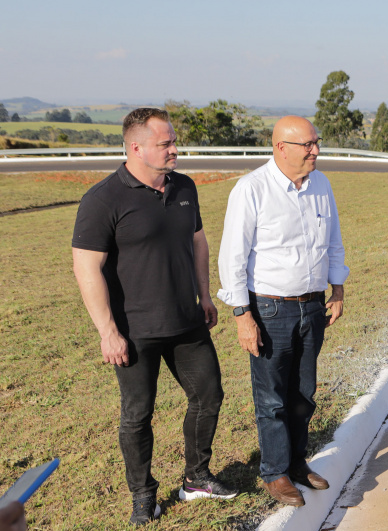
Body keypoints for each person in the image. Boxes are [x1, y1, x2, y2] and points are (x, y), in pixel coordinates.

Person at [72, 108, 236, 526]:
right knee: (137, 414)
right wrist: (108, 332)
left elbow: (198, 242)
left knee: (209, 396)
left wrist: (204, 295)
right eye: (165, 144)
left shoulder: (184, 187)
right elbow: (86, 267)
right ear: (135, 147)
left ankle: (196, 478)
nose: (174, 150)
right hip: (134, 330)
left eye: (173, 141)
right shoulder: (103, 199)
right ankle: (144, 495)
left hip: (187, 320)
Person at [217, 116, 347, 507]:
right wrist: (243, 316)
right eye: (307, 144)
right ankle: (274, 472)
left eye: (316, 143)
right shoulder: (251, 189)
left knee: (303, 393)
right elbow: (232, 258)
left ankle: (295, 462)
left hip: (312, 306)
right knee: (272, 399)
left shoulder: (321, 185)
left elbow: (334, 241)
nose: (315, 151)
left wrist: (337, 289)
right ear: (280, 147)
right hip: (270, 309)